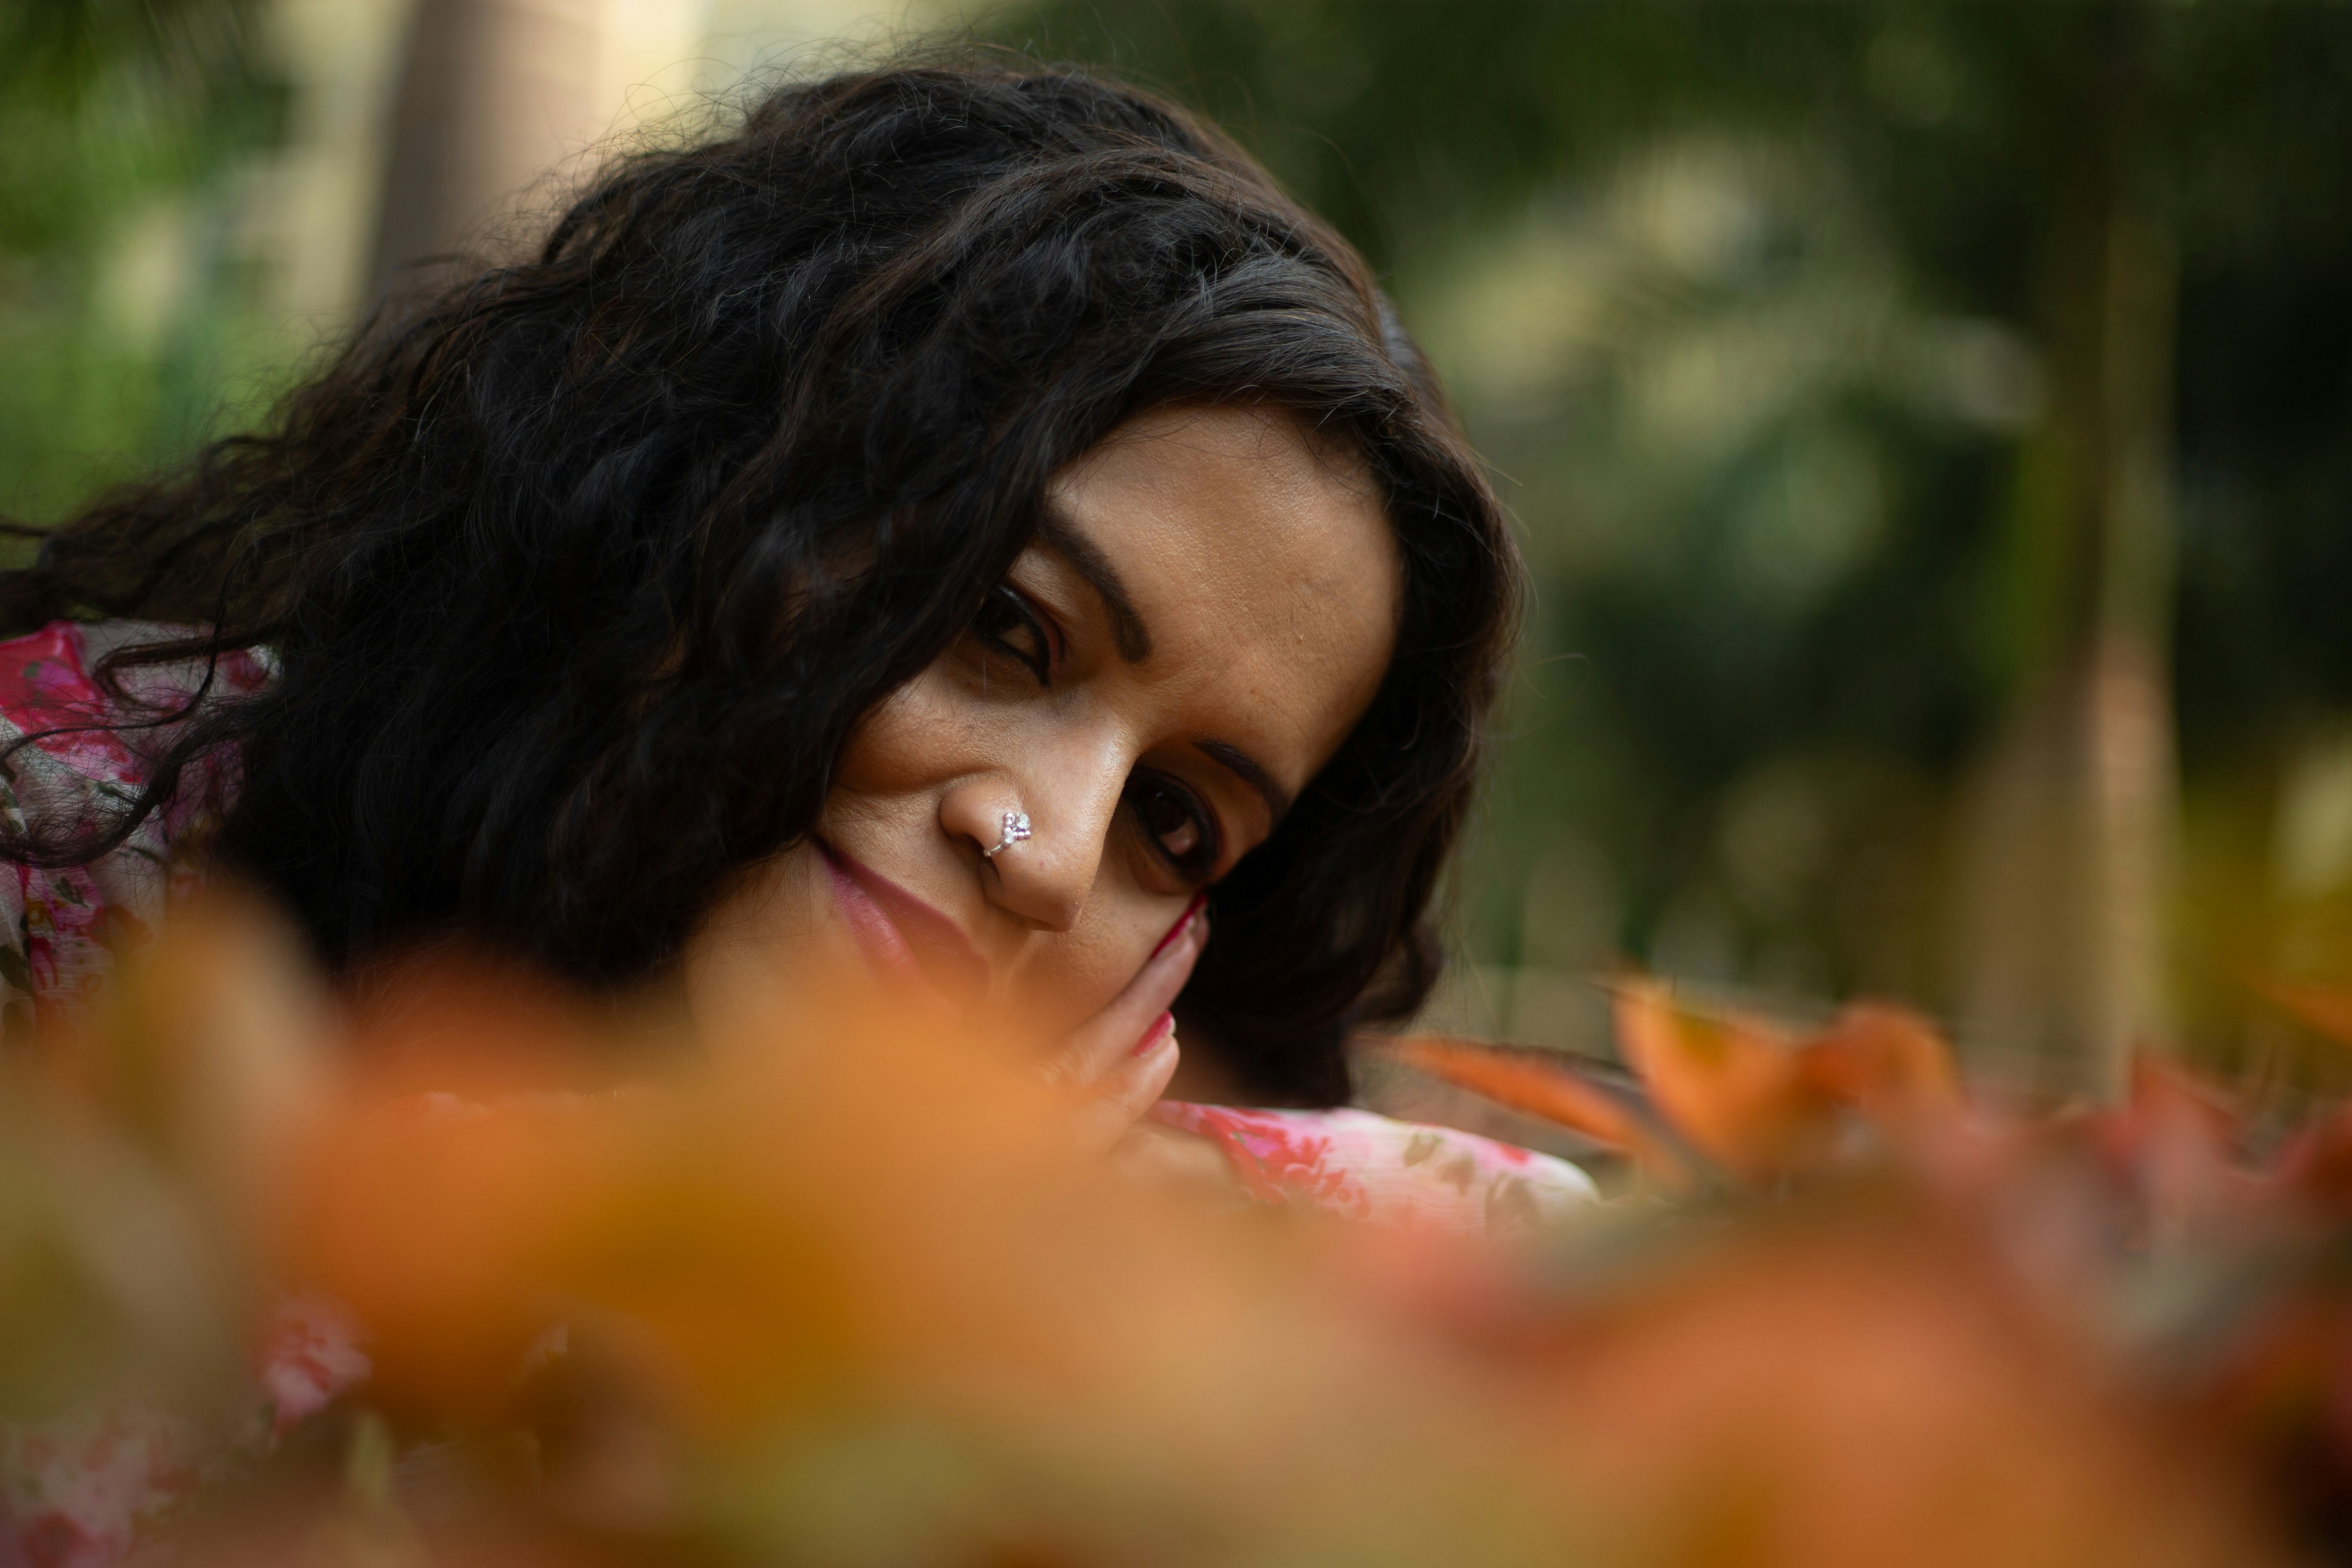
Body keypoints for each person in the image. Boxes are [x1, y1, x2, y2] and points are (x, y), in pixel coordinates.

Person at [0, 58, 1590, 1224]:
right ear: (693, 491)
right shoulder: (60, 873)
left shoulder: (1100, 1263)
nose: (1051, 854)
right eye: (1005, 632)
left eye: (1177, 824)